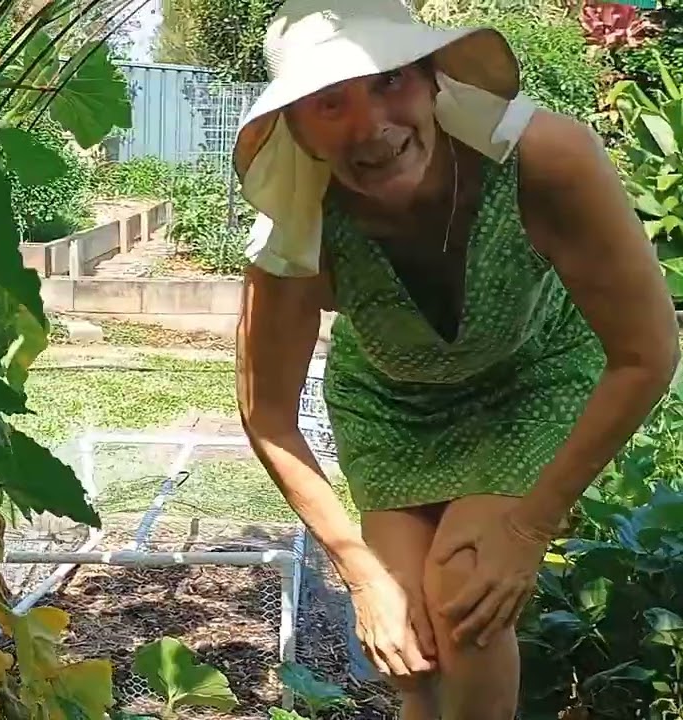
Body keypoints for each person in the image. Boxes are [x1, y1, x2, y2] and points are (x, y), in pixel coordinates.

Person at [232, 1, 679, 718]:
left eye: (391, 81)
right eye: (329, 103)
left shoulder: (546, 158)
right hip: (391, 405)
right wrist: (359, 572)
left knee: (465, 599)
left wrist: (530, 528)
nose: (370, 125)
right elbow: (267, 416)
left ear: (435, 78)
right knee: (413, 646)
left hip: (533, 378)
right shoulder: (298, 230)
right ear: (297, 129)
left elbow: (648, 353)